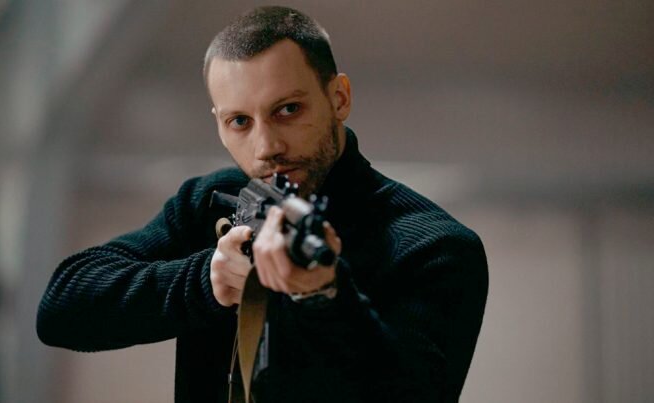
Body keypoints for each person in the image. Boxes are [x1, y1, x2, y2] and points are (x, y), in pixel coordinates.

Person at [37, 6, 488, 403]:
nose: (266, 146)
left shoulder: (437, 247)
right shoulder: (209, 201)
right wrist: (208, 280)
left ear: (339, 98)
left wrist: (323, 296)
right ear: (219, 125)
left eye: (287, 110)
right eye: (240, 121)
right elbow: (62, 306)